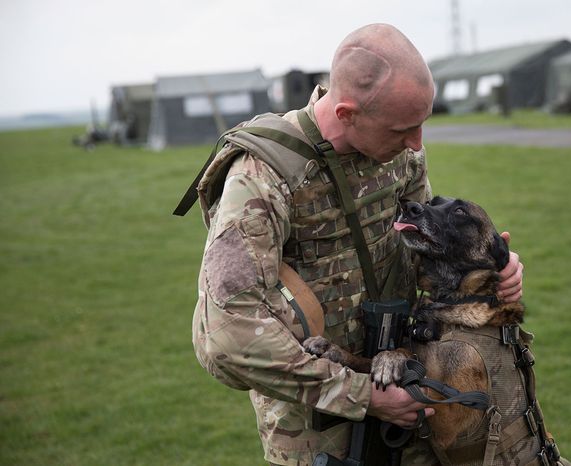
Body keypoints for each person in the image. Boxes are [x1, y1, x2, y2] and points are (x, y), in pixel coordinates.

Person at [190, 23, 524, 465]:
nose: (416, 143)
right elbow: (227, 336)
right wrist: (363, 395)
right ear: (347, 113)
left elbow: (426, 251)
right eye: (403, 129)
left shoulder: (399, 154)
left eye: (422, 125)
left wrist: (494, 271)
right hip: (319, 428)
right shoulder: (261, 179)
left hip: (412, 389)